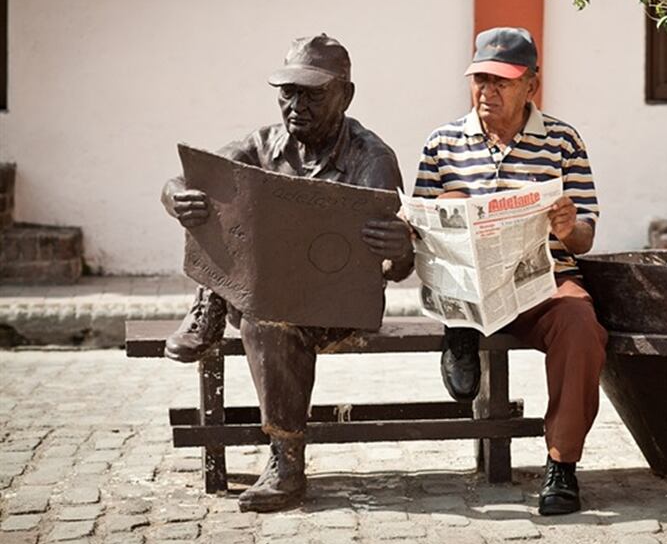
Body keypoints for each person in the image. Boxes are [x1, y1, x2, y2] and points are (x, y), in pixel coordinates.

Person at [160, 34, 413, 512]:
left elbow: (398, 266)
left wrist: (398, 250)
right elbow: (189, 180)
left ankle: (286, 465)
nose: (296, 105)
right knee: (221, 211)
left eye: (313, 93)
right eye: (288, 92)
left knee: (266, 318)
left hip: (336, 306)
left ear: (346, 95)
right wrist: (175, 196)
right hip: (267, 291)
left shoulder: (372, 158)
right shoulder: (260, 144)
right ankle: (207, 307)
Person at [414, 27, 607, 515]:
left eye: (501, 81)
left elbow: (586, 235)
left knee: (580, 323)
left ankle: (561, 466)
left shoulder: (562, 140)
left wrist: (567, 226)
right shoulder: (443, 142)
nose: (487, 91)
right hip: (467, 287)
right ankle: (459, 330)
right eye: (480, 78)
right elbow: (420, 228)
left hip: (541, 281)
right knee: (452, 199)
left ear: (531, 86)